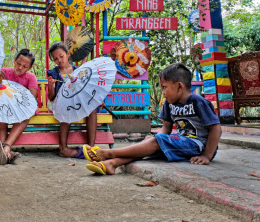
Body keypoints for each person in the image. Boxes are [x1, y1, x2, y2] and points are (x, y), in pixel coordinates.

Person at [85, 63, 222, 175]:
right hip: (181, 144)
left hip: (198, 146)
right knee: (149, 146)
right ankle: (112, 164)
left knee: (156, 142)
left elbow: (216, 129)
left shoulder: (197, 101)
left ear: (179, 86)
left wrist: (207, 155)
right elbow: (166, 128)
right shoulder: (169, 103)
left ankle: (108, 154)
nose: (163, 92)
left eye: (164, 87)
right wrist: (152, 141)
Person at [47, 42, 97, 158]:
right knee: (66, 106)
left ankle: (91, 147)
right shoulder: (53, 73)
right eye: (55, 59)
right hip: (60, 102)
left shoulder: (79, 71)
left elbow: (84, 89)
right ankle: (63, 148)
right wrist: (51, 87)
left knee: (92, 109)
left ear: (68, 54)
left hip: (76, 102)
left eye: (61, 56)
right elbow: (51, 97)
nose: (59, 60)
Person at [0, 48, 38, 164]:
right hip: (5, 106)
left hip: (21, 107)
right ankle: (4, 150)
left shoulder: (30, 77)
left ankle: (6, 148)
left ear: (29, 68)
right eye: (19, 63)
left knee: (25, 114)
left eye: (24, 66)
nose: (20, 68)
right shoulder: (3, 72)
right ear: (14, 60)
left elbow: (32, 97)